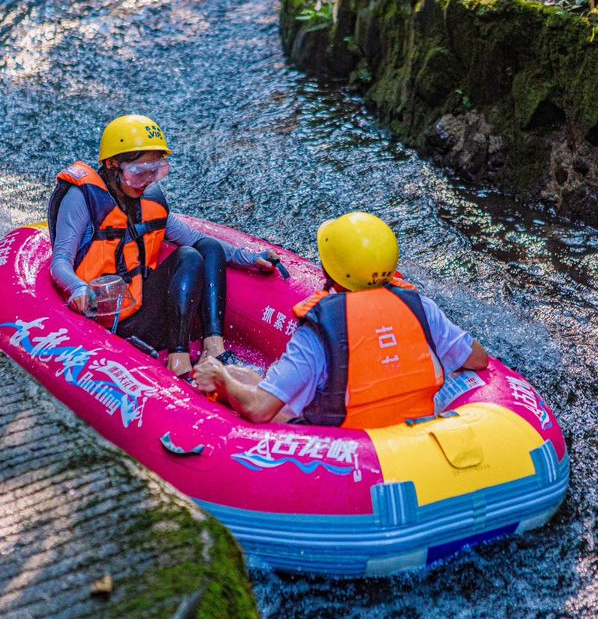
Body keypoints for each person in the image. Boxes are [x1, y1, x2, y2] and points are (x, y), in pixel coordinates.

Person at [194, 211, 488, 426]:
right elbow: (477, 360)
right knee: (252, 378)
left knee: (240, 380)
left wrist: (222, 379)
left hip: (350, 449)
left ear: (329, 271)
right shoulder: (420, 307)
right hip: (417, 433)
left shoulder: (320, 329)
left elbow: (259, 409)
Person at [48, 114, 276, 379]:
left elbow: (193, 237)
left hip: (146, 309)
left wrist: (248, 258)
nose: (146, 180)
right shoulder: (82, 198)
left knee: (206, 247)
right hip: (107, 314)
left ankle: (214, 348)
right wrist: (78, 288)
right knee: (189, 256)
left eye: (154, 171)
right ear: (112, 164)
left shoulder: (147, 201)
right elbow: (60, 261)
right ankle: (178, 361)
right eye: (138, 173)